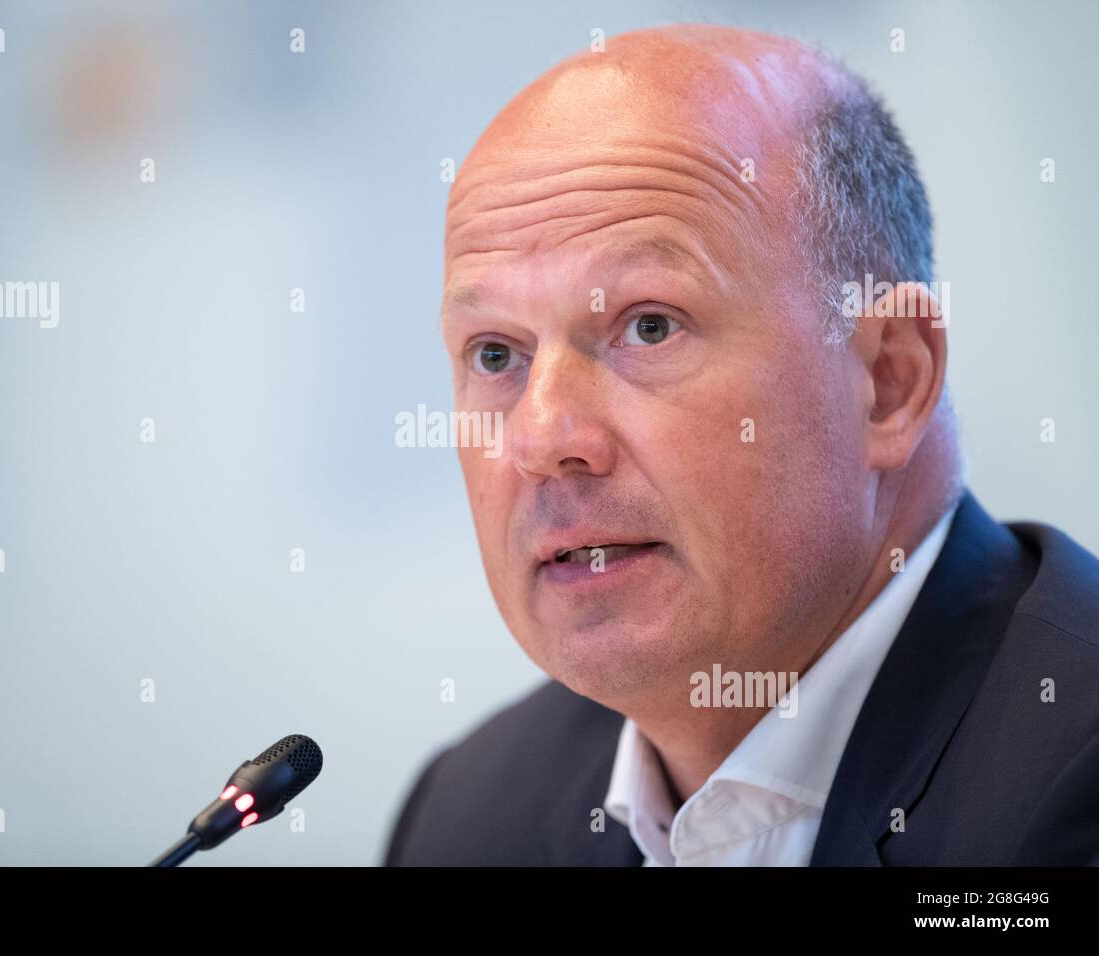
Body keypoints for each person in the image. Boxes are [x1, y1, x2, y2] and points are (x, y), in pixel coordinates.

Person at [384, 24, 1099, 866]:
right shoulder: (468, 815)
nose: (542, 439)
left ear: (890, 381)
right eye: (495, 355)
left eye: (647, 326)